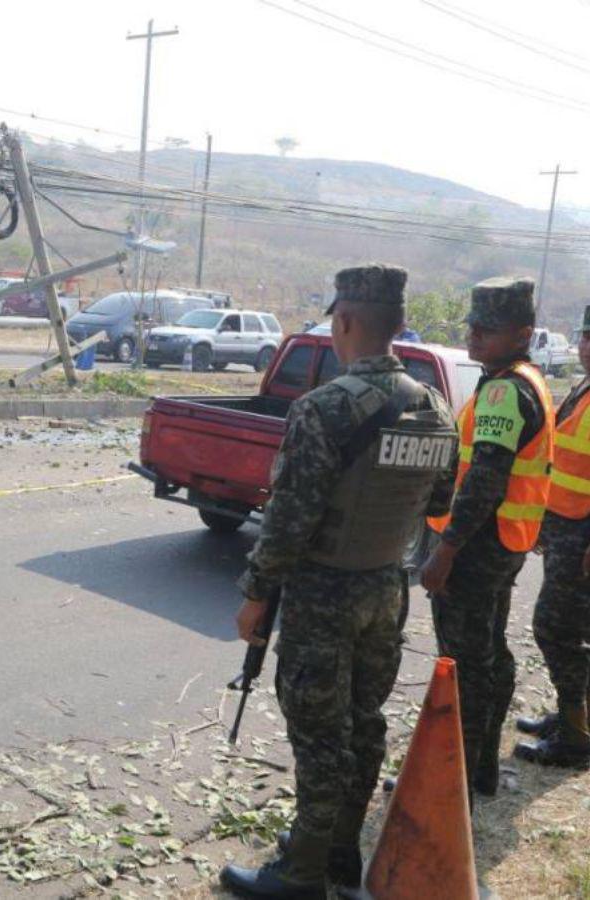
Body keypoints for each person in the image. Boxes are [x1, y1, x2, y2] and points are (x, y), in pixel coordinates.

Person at [222, 264, 457, 900]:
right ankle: (339, 855)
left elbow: (288, 521)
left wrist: (255, 596)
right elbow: (439, 498)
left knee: (322, 739)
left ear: (344, 321)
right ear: (400, 326)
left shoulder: (323, 408)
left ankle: (300, 876)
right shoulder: (437, 411)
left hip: (323, 594)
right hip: (386, 590)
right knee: (364, 724)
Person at [421, 277, 554, 801]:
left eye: (488, 328)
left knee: (462, 665)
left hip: (477, 547)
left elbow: (485, 480)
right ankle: (479, 772)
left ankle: (453, 777)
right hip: (505, 544)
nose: (474, 336)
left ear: (523, 332)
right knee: (490, 657)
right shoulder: (524, 379)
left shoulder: (504, 390)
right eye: (473, 326)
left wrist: (445, 551)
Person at [513, 304, 590, 769]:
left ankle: (577, 737)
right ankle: (571, 717)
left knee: (555, 629)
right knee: (573, 630)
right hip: (565, 526)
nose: (586, 345)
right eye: (584, 336)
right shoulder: (582, 387)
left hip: (583, 534)